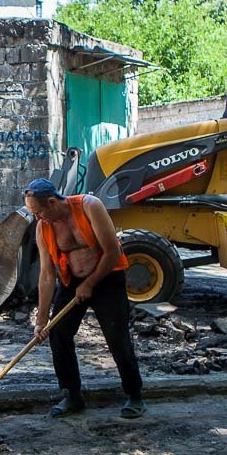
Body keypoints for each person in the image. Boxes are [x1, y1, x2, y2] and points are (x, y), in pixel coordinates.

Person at [25, 178, 145, 419]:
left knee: (116, 336)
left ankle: (134, 395)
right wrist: (41, 320)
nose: (38, 218)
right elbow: (47, 275)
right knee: (58, 333)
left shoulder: (90, 206)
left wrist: (90, 283)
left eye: (39, 212)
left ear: (51, 202)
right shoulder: (43, 228)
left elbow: (112, 251)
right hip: (73, 282)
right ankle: (72, 395)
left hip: (107, 277)